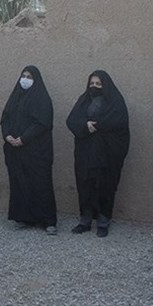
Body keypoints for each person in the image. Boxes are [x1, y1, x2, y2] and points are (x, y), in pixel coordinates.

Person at [65, 70, 130, 237]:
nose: (94, 87)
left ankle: (103, 221)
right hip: (85, 154)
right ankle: (85, 220)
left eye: (99, 84)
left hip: (107, 156)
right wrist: (85, 126)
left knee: (105, 187)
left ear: (106, 86)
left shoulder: (115, 102)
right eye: (92, 84)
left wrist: (98, 125)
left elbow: (119, 122)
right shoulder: (84, 100)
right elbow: (71, 120)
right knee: (85, 186)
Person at [0, 65, 58, 235]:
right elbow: (5, 117)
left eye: (29, 77)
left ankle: (48, 221)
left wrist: (24, 138)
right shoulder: (15, 96)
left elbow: (43, 123)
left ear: (36, 80)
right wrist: (7, 135)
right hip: (15, 150)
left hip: (37, 150)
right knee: (20, 183)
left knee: (41, 183)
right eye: (23, 76)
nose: (25, 80)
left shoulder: (43, 99)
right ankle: (24, 217)